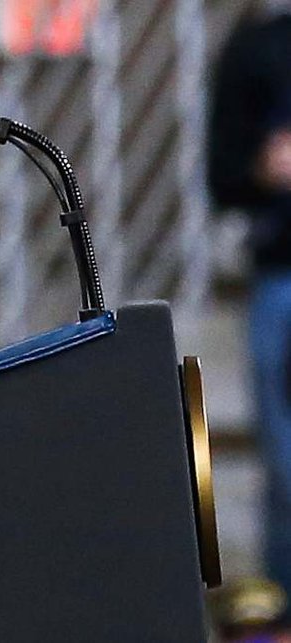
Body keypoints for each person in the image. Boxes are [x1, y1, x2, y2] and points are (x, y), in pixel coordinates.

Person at [208, 1, 291, 616]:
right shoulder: (258, 48)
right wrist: (264, 169)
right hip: (281, 272)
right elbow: (221, 176)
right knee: (285, 462)